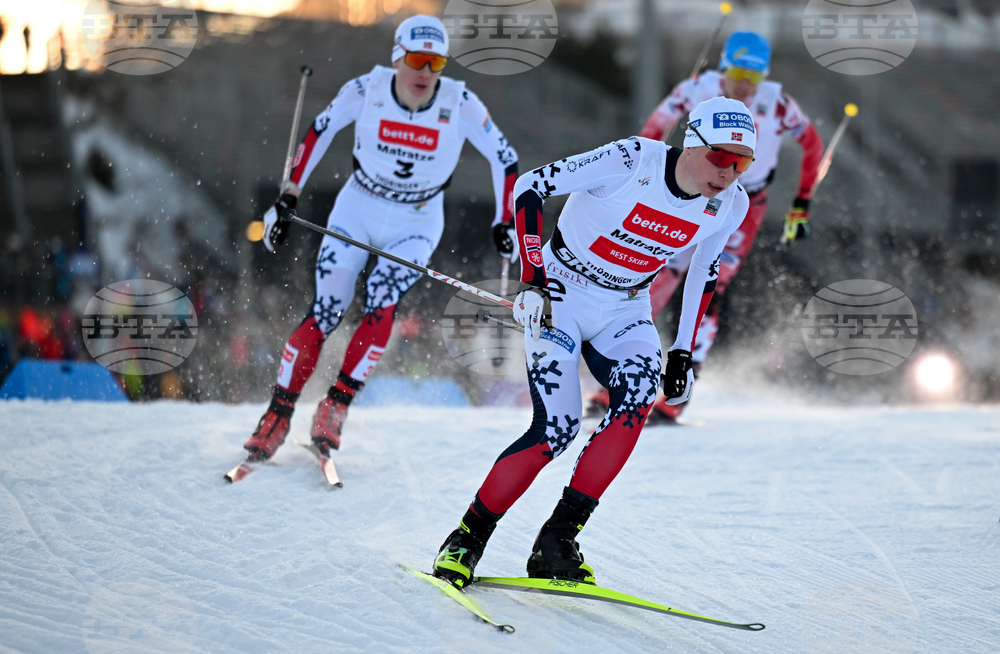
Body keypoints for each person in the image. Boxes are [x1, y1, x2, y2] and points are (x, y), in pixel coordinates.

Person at [431, 97, 755, 588]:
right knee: (557, 428)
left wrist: (684, 351)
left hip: (625, 309)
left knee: (635, 405)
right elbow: (530, 188)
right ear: (692, 143)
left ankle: (557, 541)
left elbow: (703, 275)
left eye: (742, 162)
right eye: (719, 158)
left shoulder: (731, 203)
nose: (729, 173)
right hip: (561, 293)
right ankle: (467, 538)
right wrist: (533, 279)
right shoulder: (631, 160)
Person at [244, 15, 518, 462]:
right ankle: (277, 414)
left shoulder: (459, 100)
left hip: (418, 220)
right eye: (416, 60)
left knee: (382, 297)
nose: (426, 72)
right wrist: (288, 196)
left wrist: (504, 219)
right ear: (397, 58)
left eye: (436, 62)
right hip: (358, 209)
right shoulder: (365, 90)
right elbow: (318, 131)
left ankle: (335, 407)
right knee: (328, 308)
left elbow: (505, 158)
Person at [588, 31, 823, 424]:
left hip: (743, 205)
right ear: (722, 67)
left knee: (710, 289)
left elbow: (812, 145)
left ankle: (679, 391)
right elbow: (653, 130)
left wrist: (801, 205)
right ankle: (615, 378)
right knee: (654, 278)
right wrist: (642, 181)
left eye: (754, 76)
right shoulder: (697, 89)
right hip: (688, 195)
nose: (745, 84)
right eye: (736, 72)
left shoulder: (777, 103)